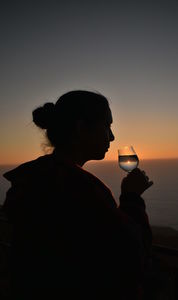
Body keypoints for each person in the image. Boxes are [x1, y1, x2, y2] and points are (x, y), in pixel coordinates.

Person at [3, 90, 153, 300]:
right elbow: (132, 255)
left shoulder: (34, 178)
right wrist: (132, 197)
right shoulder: (78, 188)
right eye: (107, 126)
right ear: (81, 128)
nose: (112, 136)